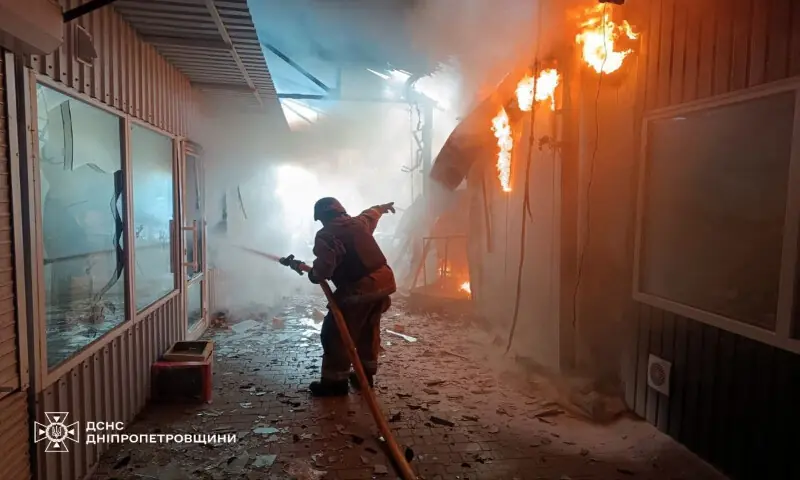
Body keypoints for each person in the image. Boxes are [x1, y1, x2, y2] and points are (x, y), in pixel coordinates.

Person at [307, 197, 397, 397]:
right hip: (384, 284)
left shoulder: (326, 235)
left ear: (322, 217)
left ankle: (334, 383)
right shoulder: (358, 223)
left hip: (359, 290)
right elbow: (370, 214)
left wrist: (314, 274)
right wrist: (381, 207)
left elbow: (325, 267)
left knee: (335, 334)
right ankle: (364, 377)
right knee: (368, 330)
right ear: (341, 211)